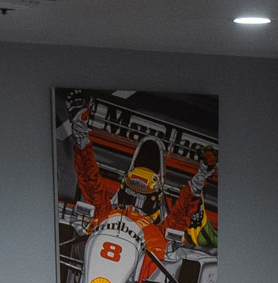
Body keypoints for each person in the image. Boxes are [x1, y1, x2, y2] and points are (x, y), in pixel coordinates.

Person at [66, 97, 216, 263]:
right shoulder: (106, 213)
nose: (135, 206)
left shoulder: (159, 233)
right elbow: (89, 179)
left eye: (142, 199)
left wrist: (202, 175)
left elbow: (182, 214)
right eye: (131, 196)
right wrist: (80, 131)